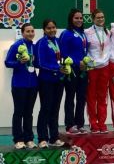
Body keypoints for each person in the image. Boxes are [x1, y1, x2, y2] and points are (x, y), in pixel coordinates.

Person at [5, 23, 38, 149]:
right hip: (19, 84)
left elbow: (37, 63)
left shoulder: (34, 47)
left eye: (32, 31)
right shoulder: (16, 46)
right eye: (28, 31)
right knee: (19, 112)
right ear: (23, 33)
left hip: (33, 84)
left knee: (29, 113)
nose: (30, 33)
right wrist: (19, 63)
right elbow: (7, 62)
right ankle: (18, 139)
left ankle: (29, 138)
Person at [36, 19, 66, 148]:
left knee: (55, 109)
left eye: (53, 27)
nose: (52, 30)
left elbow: (62, 58)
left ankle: (54, 137)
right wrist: (56, 68)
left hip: (58, 81)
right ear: (44, 30)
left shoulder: (58, 41)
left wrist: (65, 67)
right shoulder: (41, 43)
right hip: (46, 81)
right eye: (49, 28)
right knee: (45, 109)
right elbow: (40, 63)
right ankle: (42, 138)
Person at [59, 8, 89, 134]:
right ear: (71, 19)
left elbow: (84, 51)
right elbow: (63, 53)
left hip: (83, 70)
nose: (79, 20)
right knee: (70, 98)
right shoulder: (66, 34)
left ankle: (80, 124)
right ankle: (70, 125)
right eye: (76, 18)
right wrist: (77, 63)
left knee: (82, 98)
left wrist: (86, 63)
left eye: (81, 18)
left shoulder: (83, 33)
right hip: (71, 71)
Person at [85, 9, 110, 133]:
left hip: (104, 68)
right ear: (93, 19)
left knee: (102, 97)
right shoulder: (87, 32)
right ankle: (93, 123)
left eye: (102, 17)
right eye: (98, 17)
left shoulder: (107, 32)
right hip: (92, 68)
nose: (101, 19)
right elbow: (85, 50)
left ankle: (102, 123)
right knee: (91, 97)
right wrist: (89, 63)